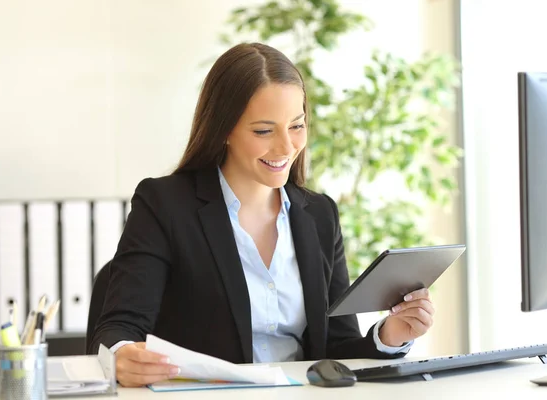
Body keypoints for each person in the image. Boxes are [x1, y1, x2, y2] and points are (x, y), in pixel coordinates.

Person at [89, 42, 435, 388]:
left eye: (297, 126)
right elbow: (118, 327)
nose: (286, 147)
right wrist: (121, 355)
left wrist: (389, 336)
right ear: (223, 129)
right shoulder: (165, 204)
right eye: (264, 131)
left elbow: (336, 348)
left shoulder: (319, 215)